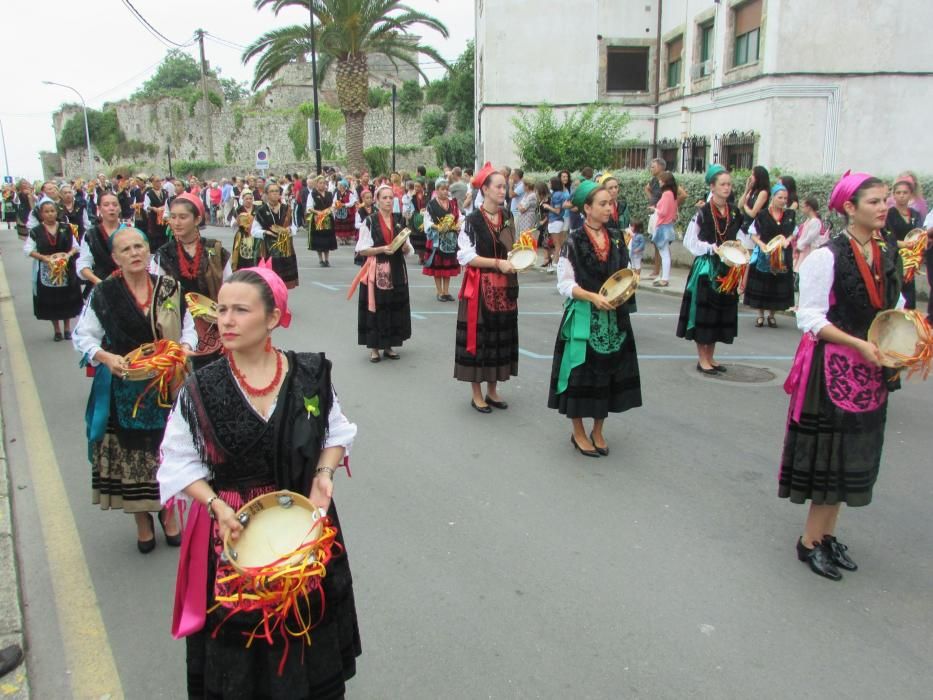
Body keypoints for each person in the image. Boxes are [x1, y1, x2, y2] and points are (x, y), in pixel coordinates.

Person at [158, 266, 360, 698]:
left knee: (304, 624)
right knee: (246, 644)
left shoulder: (308, 373)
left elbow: (336, 431)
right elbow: (178, 460)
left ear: (272, 318)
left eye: (240, 310)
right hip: (235, 528)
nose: (226, 320)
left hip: (302, 523)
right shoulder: (201, 387)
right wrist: (215, 505)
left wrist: (323, 474)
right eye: (222, 310)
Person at [780, 172, 901, 581]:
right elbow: (810, 317)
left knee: (853, 455)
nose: (883, 207)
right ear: (850, 208)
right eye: (874, 202)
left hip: (871, 369)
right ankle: (809, 541)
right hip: (834, 368)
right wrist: (859, 345)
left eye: (885, 200)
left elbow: (894, 308)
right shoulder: (826, 256)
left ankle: (829, 536)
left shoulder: (888, 253)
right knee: (829, 458)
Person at [73, 226, 194, 552]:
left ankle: (168, 513)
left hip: (166, 386)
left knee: (164, 451)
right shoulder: (104, 294)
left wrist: (184, 348)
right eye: (126, 250)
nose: (135, 253)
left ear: (147, 250)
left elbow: (189, 327)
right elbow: (84, 337)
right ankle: (142, 519)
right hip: (125, 389)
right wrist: (105, 357)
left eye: (139, 246)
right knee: (133, 456)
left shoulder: (169, 288)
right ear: (115, 258)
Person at [547, 180, 642, 456]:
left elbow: (624, 271)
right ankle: (578, 431)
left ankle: (598, 429)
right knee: (580, 376)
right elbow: (564, 284)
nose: (608, 208)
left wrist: (630, 281)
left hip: (615, 320)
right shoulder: (573, 241)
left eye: (610, 203)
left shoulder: (616, 237)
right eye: (602, 204)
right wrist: (592, 297)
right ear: (586, 208)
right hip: (585, 317)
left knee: (609, 375)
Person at [455, 163, 519, 413]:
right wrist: (497, 263)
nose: (504, 190)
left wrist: (519, 256)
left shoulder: (507, 217)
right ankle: (477, 393)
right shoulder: (472, 221)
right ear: (485, 189)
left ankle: (493, 390)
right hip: (480, 287)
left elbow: (512, 248)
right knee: (479, 338)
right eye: (499, 186)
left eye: (506, 186)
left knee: (499, 337)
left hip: (505, 286)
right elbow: (466, 257)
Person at [676, 165, 744, 372]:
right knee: (705, 314)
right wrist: (711, 248)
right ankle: (702, 358)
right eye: (722, 184)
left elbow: (739, 237)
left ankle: (711, 357)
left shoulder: (734, 211)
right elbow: (690, 241)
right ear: (712, 187)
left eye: (729, 184)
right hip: (707, 268)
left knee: (720, 314)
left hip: (728, 268)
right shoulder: (703, 213)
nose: (726, 188)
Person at [152, 193, 231, 368]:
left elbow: (229, 289)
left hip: (213, 325)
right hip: (178, 326)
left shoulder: (216, 251)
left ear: (197, 220)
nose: (176, 222)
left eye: (183, 217)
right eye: (172, 217)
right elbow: (157, 295)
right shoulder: (163, 255)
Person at [353, 184, 414, 362]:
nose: (388, 201)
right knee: (378, 305)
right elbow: (362, 250)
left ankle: (389, 345)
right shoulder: (370, 221)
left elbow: (408, 250)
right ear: (377, 201)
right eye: (384, 198)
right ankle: (374, 347)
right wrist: (382, 249)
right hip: (378, 269)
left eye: (390, 198)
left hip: (396, 268)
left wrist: (404, 247)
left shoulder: (398, 221)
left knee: (394, 304)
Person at [24, 200, 83, 341]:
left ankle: (67, 328)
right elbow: (28, 249)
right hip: (48, 271)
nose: (50, 214)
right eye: (46, 211)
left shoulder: (66, 228)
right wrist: (43, 258)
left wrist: (68, 255)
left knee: (67, 298)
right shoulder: (36, 231)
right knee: (52, 299)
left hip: (65, 269)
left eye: (52, 211)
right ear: (41, 214)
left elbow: (76, 246)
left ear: (57, 212)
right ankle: (57, 330)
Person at [745, 183, 796, 327]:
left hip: (782, 255)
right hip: (766, 254)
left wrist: (788, 240)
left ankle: (772, 315)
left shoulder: (790, 215)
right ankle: (760, 315)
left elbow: (794, 232)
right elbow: (753, 233)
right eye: (780, 197)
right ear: (773, 197)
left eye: (785, 198)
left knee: (777, 285)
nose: (783, 201)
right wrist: (761, 244)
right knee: (763, 284)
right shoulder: (762, 215)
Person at [884, 177, 924, 309]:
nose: (901, 196)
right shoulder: (888, 214)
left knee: (909, 297)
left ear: (911, 195)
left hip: (911, 260)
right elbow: (886, 237)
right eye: (898, 192)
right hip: (894, 258)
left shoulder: (915, 214)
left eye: (905, 192)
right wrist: (905, 244)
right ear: (893, 195)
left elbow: (920, 234)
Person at [252, 183, 299, 289]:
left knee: (284, 282)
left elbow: (294, 226)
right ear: (266, 194)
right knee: (268, 282)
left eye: (277, 191)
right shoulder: (261, 211)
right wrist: (266, 232)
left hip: (285, 249)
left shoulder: (286, 209)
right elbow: (254, 231)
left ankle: (282, 300)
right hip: (268, 249)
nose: (275, 194)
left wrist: (289, 230)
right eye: (272, 191)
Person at [423, 177, 462, 302]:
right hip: (437, 238)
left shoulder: (453, 203)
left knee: (447, 265)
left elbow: (460, 217)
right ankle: (439, 291)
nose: (445, 191)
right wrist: (437, 227)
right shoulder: (431, 204)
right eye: (442, 189)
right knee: (438, 266)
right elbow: (427, 221)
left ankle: (446, 291)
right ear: (437, 190)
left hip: (450, 238)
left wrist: (458, 225)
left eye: (446, 189)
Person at [77, 191, 122, 288]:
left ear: (120, 208)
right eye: (106, 205)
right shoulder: (91, 235)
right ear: (99, 209)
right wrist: (99, 282)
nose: (111, 208)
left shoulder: (129, 231)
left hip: (128, 285)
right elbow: (84, 262)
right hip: (100, 283)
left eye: (115, 204)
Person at [650, 171, 679, 287]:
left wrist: (654, 209)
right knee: (665, 253)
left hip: (662, 226)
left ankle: (665, 278)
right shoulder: (672, 193)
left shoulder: (667, 194)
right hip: (668, 225)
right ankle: (663, 276)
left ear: (665, 182)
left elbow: (663, 212)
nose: (659, 181)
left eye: (661, 180)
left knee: (664, 253)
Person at [307, 176, 336, 266]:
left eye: (324, 183)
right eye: (320, 183)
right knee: (319, 240)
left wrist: (330, 210)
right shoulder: (312, 194)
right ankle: (320, 260)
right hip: (318, 219)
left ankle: (327, 259)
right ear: (316, 184)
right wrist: (319, 212)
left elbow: (333, 205)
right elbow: (309, 208)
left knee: (327, 239)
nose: (322, 185)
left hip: (328, 218)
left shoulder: (329, 194)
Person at [543, 176, 570, 274]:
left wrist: (547, 206)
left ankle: (555, 262)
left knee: (557, 244)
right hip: (557, 221)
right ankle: (556, 261)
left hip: (556, 220)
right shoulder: (557, 194)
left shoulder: (556, 195)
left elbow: (557, 211)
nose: (549, 184)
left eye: (550, 182)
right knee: (557, 243)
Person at [794, 197, 824, 269]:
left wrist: (800, 245)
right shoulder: (809, 220)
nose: (802, 209)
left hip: (810, 250)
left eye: (803, 207)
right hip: (804, 250)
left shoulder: (815, 222)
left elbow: (809, 238)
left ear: (809, 207)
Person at [143, 175, 170, 252]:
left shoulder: (165, 192)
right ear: (152, 183)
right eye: (156, 181)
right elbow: (146, 206)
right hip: (154, 219)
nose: (159, 183)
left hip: (164, 218)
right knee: (155, 237)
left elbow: (168, 203)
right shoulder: (148, 193)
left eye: (160, 181)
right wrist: (153, 208)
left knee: (164, 236)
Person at [740, 165, 770, 233]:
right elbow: (740, 205)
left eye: (753, 175)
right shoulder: (753, 190)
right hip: (744, 224)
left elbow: (753, 213)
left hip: (754, 228)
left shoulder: (763, 192)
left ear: (759, 177)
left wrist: (745, 206)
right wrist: (746, 190)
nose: (750, 177)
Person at [332, 179, 358, 246]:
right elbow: (334, 201)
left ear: (344, 186)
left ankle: (347, 239)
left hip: (347, 212)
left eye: (340, 185)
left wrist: (344, 205)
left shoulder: (349, 193)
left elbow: (353, 202)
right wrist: (336, 205)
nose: (339, 187)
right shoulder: (337, 193)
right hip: (339, 212)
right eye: (339, 185)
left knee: (347, 226)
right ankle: (341, 239)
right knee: (339, 225)